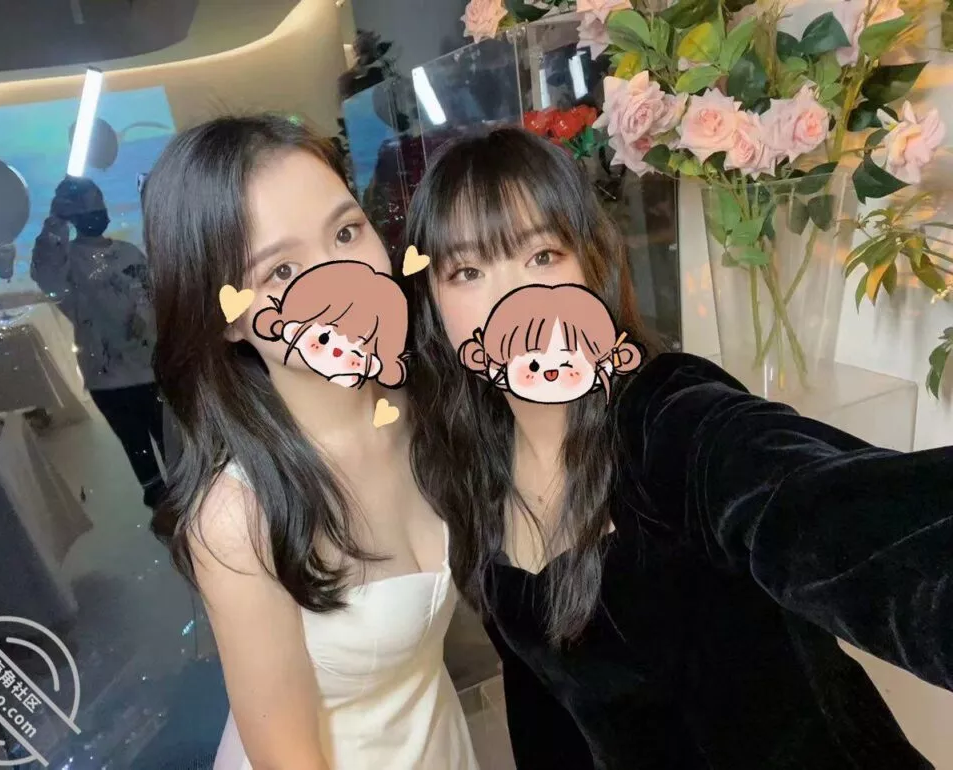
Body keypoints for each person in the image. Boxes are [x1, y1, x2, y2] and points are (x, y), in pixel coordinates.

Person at [400, 126, 953, 770]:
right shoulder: (475, 479)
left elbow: (835, 515)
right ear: (435, 306)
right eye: (468, 272)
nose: (514, 300)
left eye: (543, 256)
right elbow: (546, 714)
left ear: (592, 267)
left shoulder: (667, 417)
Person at [142, 115, 478, 770]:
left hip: (437, 737)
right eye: (282, 271)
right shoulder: (238, 520)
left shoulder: (426, 407)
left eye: (347, 233)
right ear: (227, 318)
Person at [31, 177, 166, 509]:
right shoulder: (67, 263)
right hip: (107, 376)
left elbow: (152, 292)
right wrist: (55, 222)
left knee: (171, 441)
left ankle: (194, 501)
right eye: (87, 206)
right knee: (137, 445)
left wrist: (146, 316)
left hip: (151, 368)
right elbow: (46, 274)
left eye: (98, 202)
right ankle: (162, 506)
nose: (96, 211)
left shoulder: (128, 252)